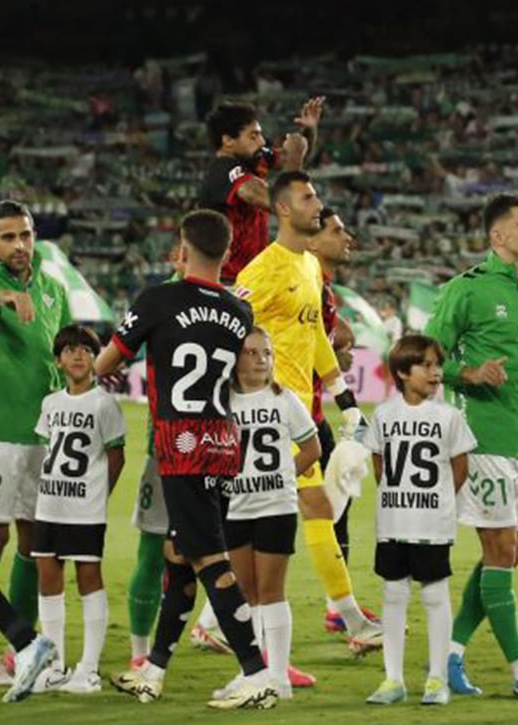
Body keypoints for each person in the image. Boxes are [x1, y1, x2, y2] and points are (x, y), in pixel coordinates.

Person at [97, 209, 276, 709]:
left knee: (208, 557)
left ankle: (256, 672)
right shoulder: (239, 311)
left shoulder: (160, 298)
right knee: (179, 560)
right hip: (223, 440)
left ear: (182, 247)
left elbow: (107, 362)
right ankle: (152, 671)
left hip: (181, 444)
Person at [234, 171, 383, 656]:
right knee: (287, 518)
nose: (316, 203)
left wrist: (344, 400)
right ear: (282, 209)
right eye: (307, 196)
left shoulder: (309, 268)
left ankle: (226, 625)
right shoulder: (262, 272)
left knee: (307, 512)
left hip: (295, 413)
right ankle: (348, 618)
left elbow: (318, 337)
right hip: (264, 419)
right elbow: (229, 334)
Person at [425, 192, 518, 699]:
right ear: (497, 236)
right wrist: (468, 373)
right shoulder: (468, 290)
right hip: (479, 437)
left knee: (508, 554)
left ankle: (450, 656)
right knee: (501, 551)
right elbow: (425, 355)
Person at [0, 200, 71, 686]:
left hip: (45, 435)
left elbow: (66, 347)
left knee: (37, 542)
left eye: (26, 235)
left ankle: (24, 645)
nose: (19, 246)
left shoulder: (53, 288)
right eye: (8, 237)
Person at [362, 334, 477, 706]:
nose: (435, 371)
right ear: (401, 371)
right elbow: (378, 463)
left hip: (431, 524)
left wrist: (437, 500)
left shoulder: (449, 416)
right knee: (394, 594)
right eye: (425, 365)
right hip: (393, 522)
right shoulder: (383, 414)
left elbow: (460, 467)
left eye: (437, 365)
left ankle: (437, 679)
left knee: (433, 593)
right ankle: (393, 680)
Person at [218, 327, 321, 700]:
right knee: (246, 593)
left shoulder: (284, 398)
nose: (261, 359)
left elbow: (312, 447)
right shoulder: (223, 400)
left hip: (276, 506)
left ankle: (278, 675)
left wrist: (283, 475)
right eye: (252, 352)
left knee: (272, 590)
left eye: (266, 352)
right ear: (236, 358)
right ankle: (252, 673)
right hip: (235, 507)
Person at [29, 325, 125, 694]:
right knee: (48, 580)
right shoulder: (51, 403)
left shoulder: (104, 403)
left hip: (84, 508)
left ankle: (89, 668)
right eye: (69, 350)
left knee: (89, 579)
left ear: (95, 358)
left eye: (86, 349)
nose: (78, 355)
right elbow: (47, 450)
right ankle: (54, 665)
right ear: (58, 360)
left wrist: (100, 496)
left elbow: (116, 456)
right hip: (49, 504)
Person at [306, 207, 368, 635]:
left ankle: (339, 607)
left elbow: (318, 344)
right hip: (286, 418)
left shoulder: (323, 290)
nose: (347, 237)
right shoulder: (302, 281)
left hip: (308, 414)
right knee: (259, 520)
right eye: (336, 229)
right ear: (312, 241)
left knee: (337, 503)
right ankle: (215, 619)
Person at [126, 244, 186, 668]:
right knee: (152, 551)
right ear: (173, 255)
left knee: (216, 556)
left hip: (214, 453)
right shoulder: (156, 300)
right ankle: (139, 652)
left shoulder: (227, 298)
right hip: (163, 449)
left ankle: (248, 652)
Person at [199, 97, 323, 285]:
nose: (262, 141)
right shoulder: (224, 170)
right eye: (253, 136)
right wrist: (296, 154)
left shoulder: (254, 158)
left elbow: (290, 158)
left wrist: (308, 130)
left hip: (252, 276)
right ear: (228, 140)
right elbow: (280, 203)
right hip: (228, 280)